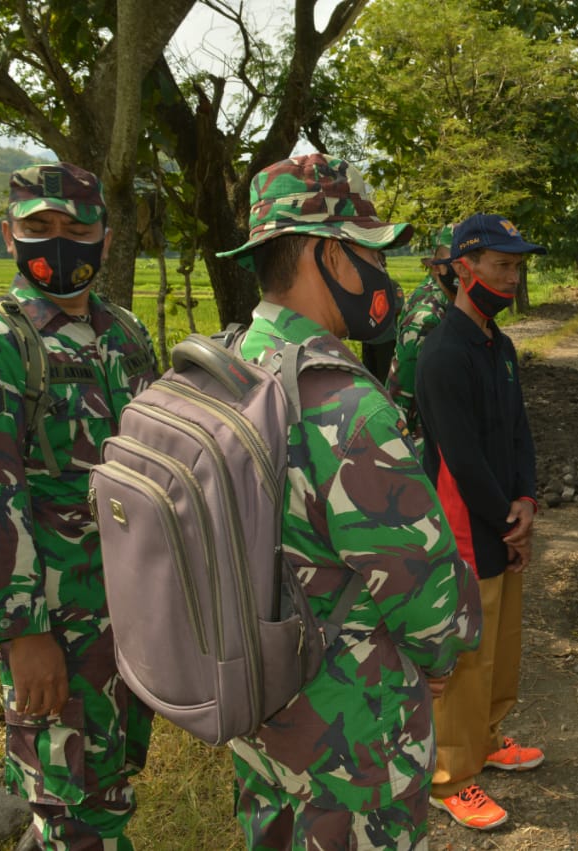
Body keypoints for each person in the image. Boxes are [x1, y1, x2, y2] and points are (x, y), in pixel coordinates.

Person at [213, 154, 481, 851]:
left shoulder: (229, 366)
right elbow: (427, 600)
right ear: (329, 255)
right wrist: (443, 652)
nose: (382, 276)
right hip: (354, 736)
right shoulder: (344, 405)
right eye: (372, 254)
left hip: (261, 705)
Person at [0, 163, 159, 849]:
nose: (59, 242)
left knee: (108, 777)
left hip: (129, 608)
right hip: (57, 620)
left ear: (105, 238)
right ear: (9, 235)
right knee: (76, 806)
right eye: (39, 227)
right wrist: (22, 637)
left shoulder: (123, 332)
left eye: (76, 229)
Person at [415, 214, 545, 831]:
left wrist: (527, 501)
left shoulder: (501, 346)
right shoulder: (443, 353)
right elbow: (461, 457)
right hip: (466, 524)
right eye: (502, 265)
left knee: (501, 642)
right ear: (465, 269)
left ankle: (488, 739)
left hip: (503, 517)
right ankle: (449, 776)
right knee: (466, 653)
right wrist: (503, 519)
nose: (512, 278)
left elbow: (518, 432)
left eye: (518, 267)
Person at [385, 224, 456, 449]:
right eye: (457, 263)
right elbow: (401, 392)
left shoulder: (451, 300)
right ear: (437, 267)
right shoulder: (426, 318)